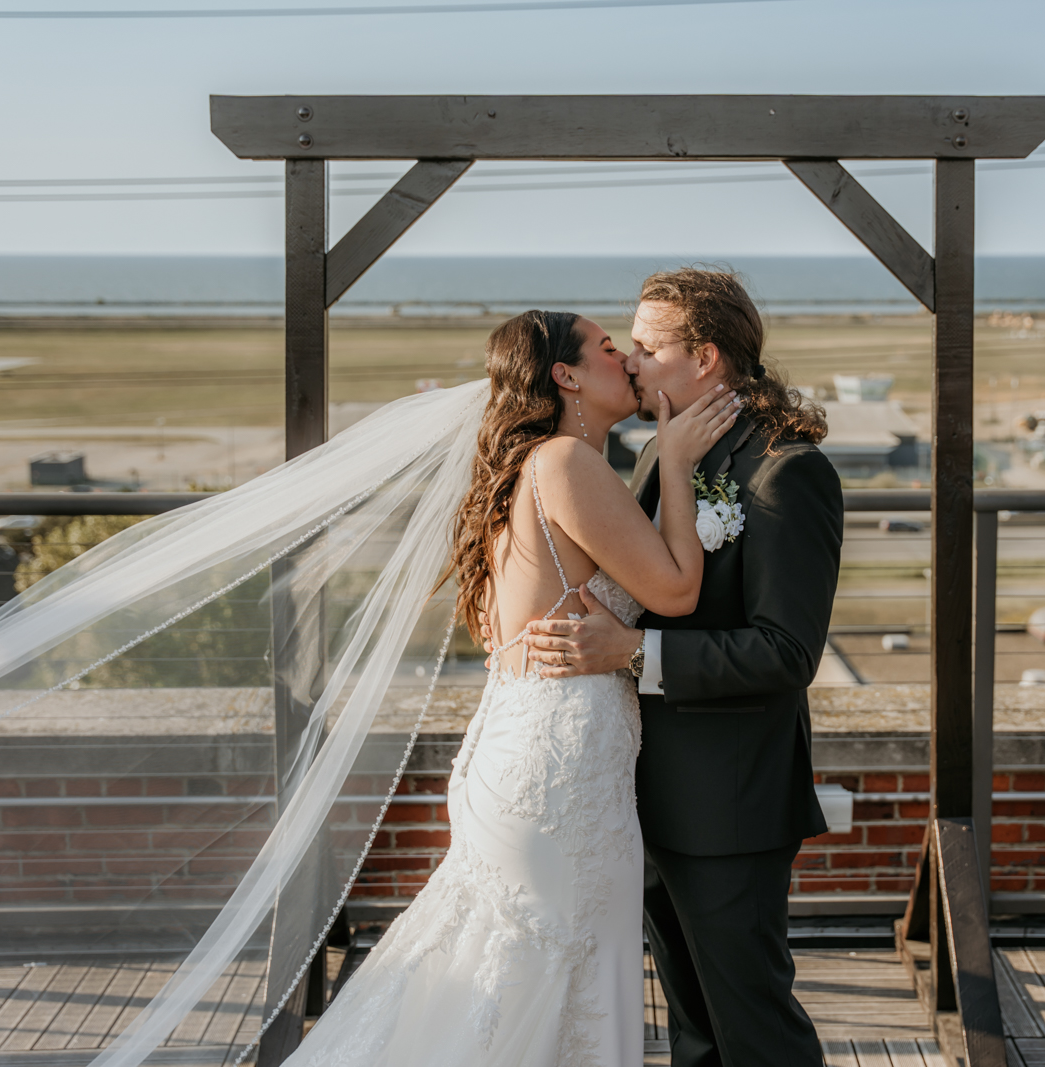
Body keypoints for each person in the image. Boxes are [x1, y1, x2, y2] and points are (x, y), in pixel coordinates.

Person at [280, 309, 739, 1066]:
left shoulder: (531, 468)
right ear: (565, 375)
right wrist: (678, 460)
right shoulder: (564, 462)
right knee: (543, 987)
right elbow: (678, 590)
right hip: (559, 778)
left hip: (529, 753)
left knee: (513, 985)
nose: (626, 359)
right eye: (607, 347)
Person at [523, 268, 842, 1067]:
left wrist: (637, 654)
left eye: (645, 346)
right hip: (645, 794)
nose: (630, 362)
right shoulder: (661, 455)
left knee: (756, 1032)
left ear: (704, 358)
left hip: (730, 806)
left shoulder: (785, 472)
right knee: (694, 1035)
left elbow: (787, 651)